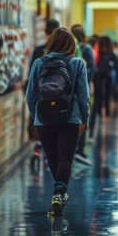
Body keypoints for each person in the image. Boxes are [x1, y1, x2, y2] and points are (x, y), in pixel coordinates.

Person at [26, 27, 90, 216]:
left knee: (52, 159)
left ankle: (59, 193)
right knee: (65, 159)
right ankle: (59, 193)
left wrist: (36, 117)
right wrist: (84, 119)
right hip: (70, 119)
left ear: (51, 42)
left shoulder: (39, 63)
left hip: (44, 119)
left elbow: (30, 95)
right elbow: (83, 96)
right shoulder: (78, 63)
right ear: (71, 44)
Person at [27, 19, 60, 165]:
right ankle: (50, 155)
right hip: (58, 95)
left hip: (40, 94)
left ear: (46, 32)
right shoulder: (63, 52)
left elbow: (31, 75)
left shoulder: (38, 50)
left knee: (40, 123)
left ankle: (39, 147)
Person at [71, 24, 95, 166]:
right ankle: (79, 149)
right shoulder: (86, 49)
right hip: (81, 87)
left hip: (67, 90)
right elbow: (91, 67)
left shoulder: (68, 48)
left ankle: (71, 149)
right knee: (84, 115)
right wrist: (86, 84)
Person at [91, 36, 118, 127]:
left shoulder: (98, 52)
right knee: (107, 93)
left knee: (98, 94)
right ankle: (107, 112)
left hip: (98, 75)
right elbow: (116, 66)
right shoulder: (111, 53)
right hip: (108, 75)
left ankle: (99, 111)